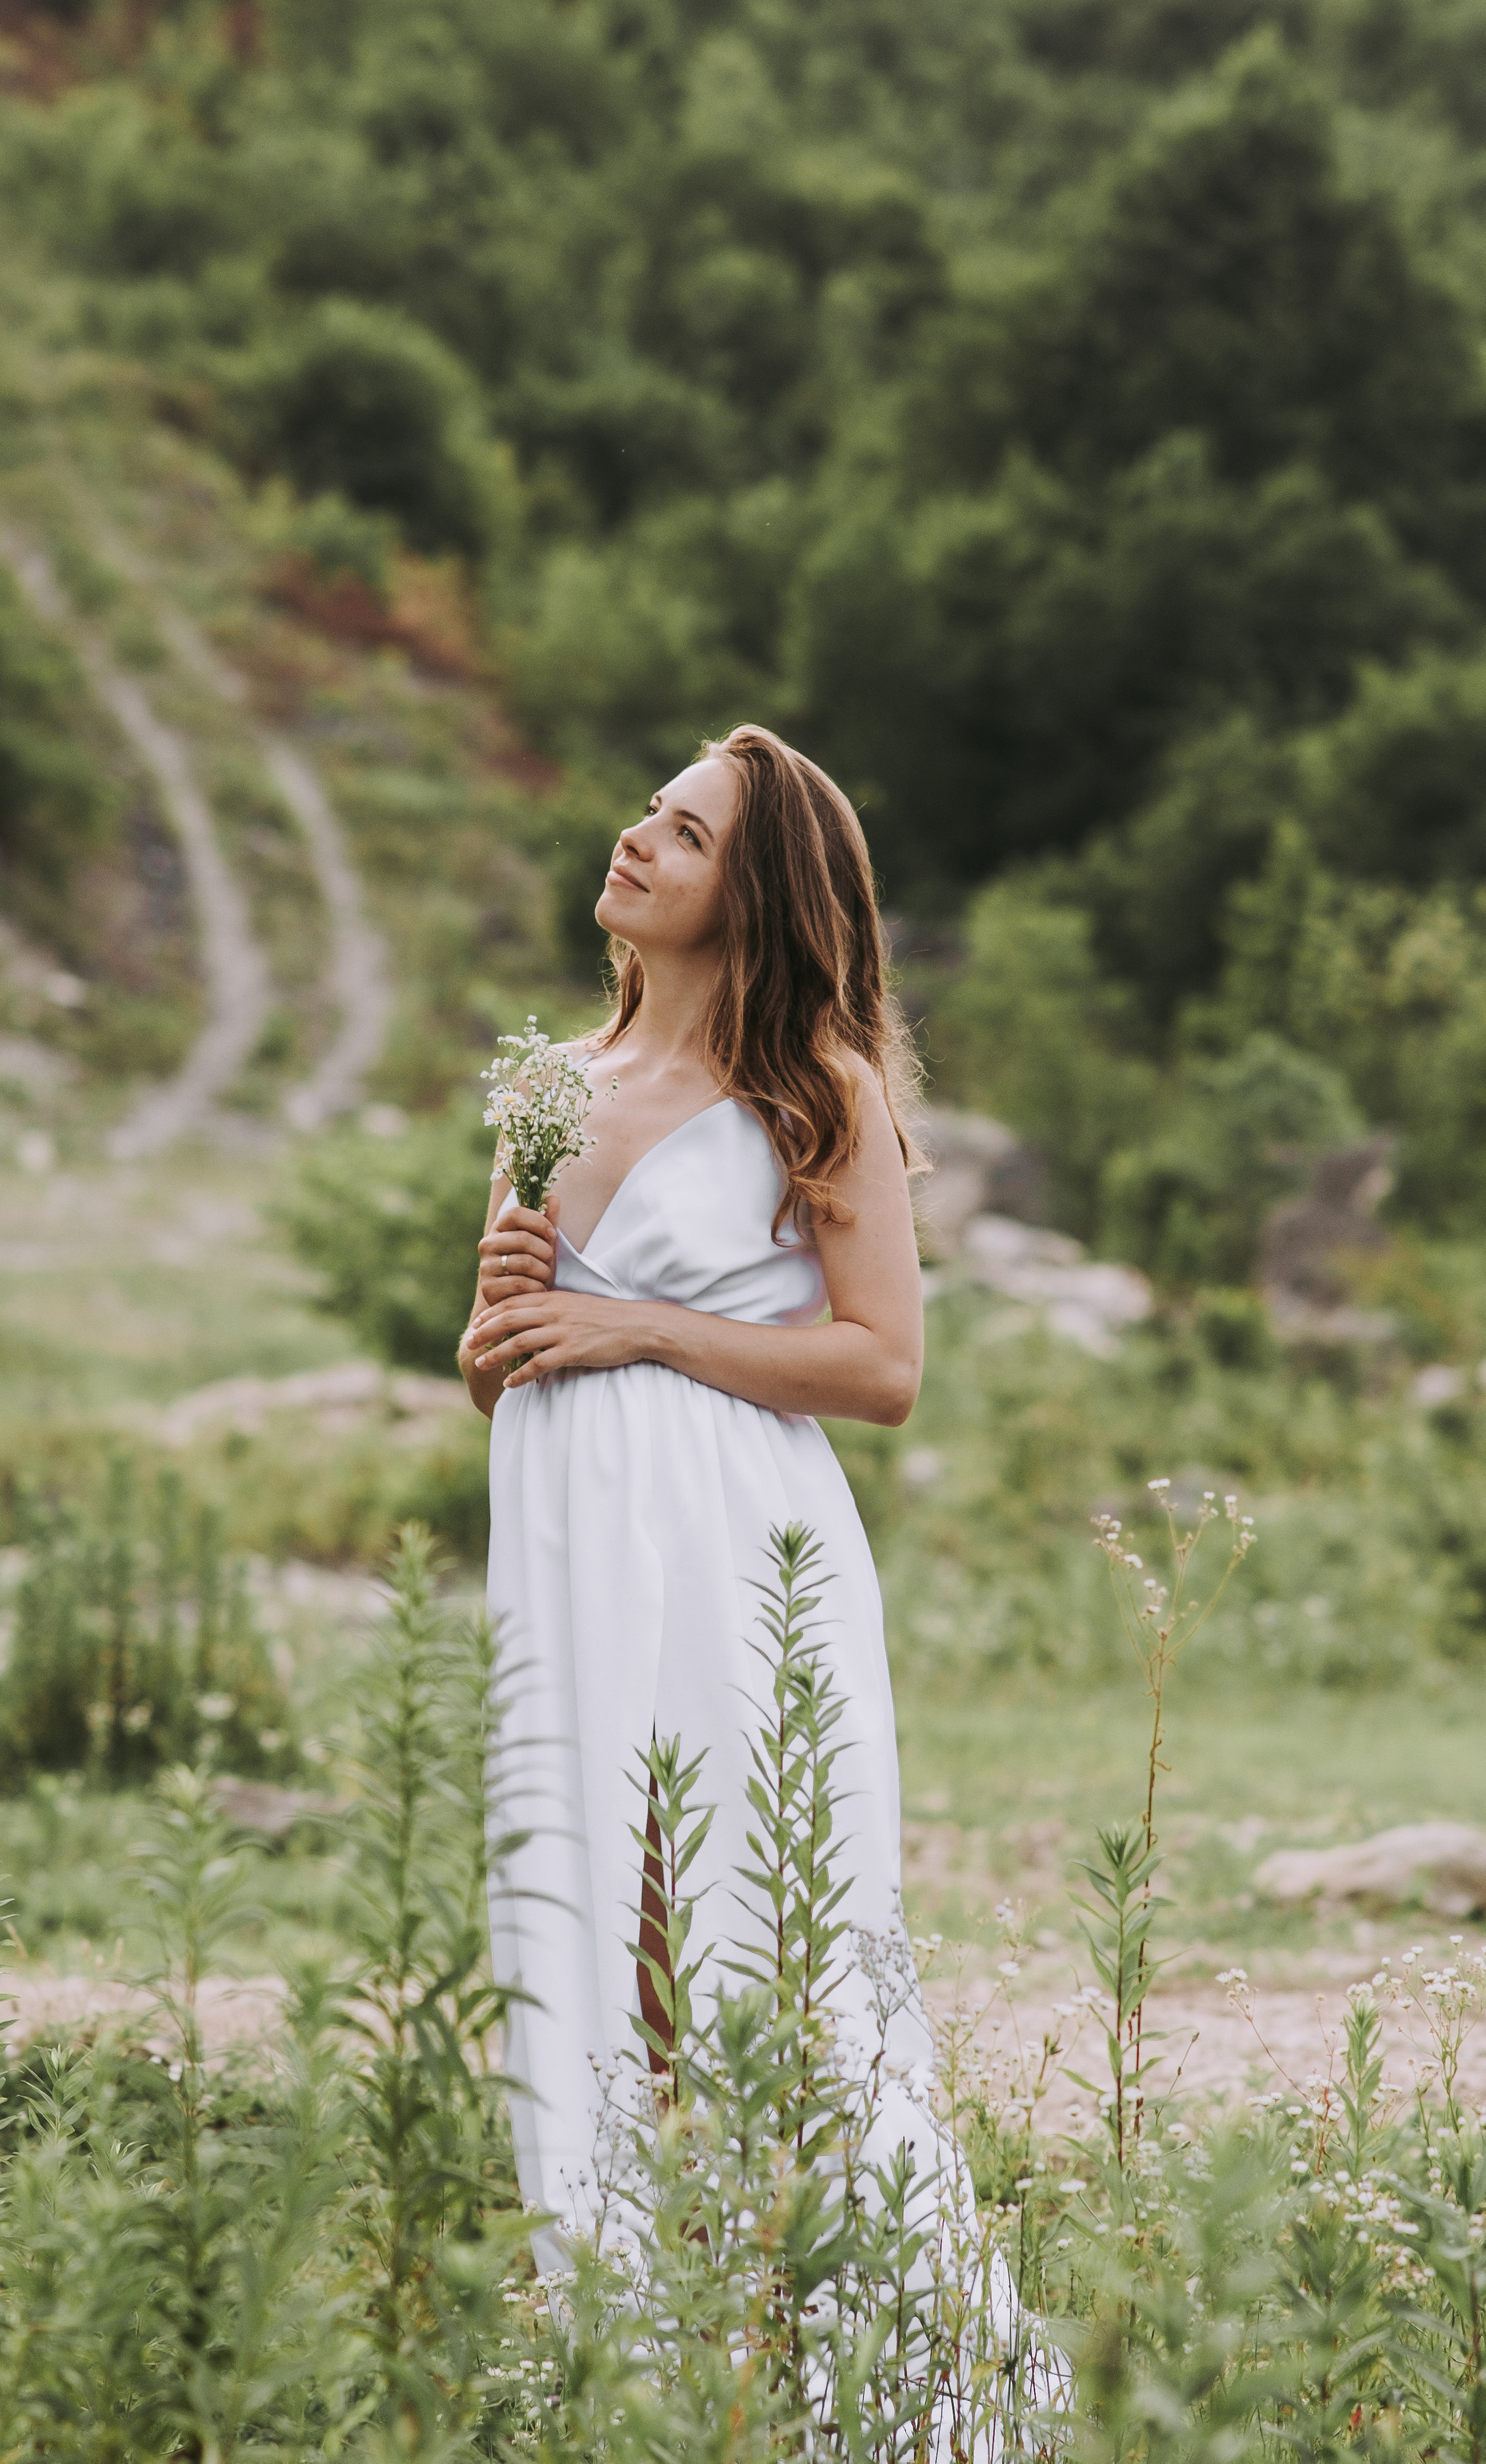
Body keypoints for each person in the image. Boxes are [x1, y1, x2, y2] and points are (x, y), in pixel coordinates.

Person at [459, 722, 936, 2274]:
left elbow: (882, 1367)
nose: (635, 838)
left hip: (737, 1536)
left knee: (745, 1909)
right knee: (598, 1904)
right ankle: (642, 2308)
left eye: (685, 833)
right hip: (566, 1535)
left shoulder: (814, 1090)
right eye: (648, 812)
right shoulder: (548, 1086)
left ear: (759, 892)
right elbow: (497, 1367)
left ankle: (809, 2303)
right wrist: (500, 1318)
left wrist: (643, 1327)